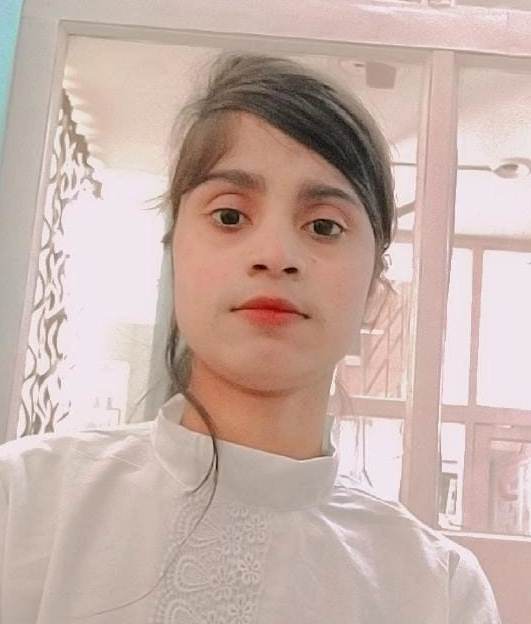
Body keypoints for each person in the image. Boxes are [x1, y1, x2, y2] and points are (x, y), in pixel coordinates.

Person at [0, 52, 502, 623]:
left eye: (324, 226)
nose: (275, 255)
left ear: (374, 285)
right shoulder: (24, 503)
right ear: (174, 249)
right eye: (230, 217)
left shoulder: (438, 591)